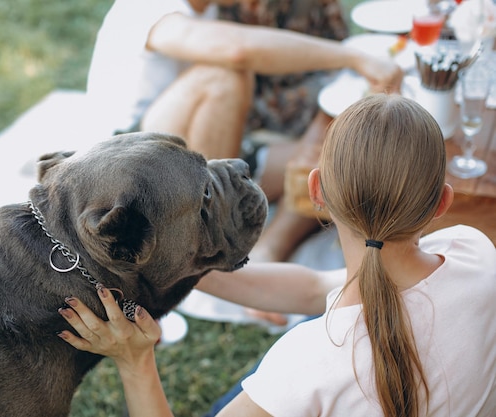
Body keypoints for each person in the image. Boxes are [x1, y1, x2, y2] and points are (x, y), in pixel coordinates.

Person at [58, 94, 496, 416]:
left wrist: (136, 362)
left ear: (316, 191)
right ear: (441, 201)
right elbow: (316, 288)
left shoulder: (311, 361)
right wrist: (182, 263)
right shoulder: (473, 253)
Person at [87, 0, 404, 324]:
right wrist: (353, 56)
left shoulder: (212, 9)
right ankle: (207, 242)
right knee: (223, 75)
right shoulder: (146, 8)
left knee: (336, 160)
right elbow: (238, 49)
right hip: (129, 172)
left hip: (193, 161)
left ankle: (268, 251)